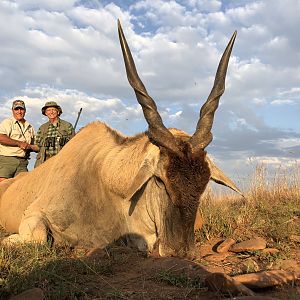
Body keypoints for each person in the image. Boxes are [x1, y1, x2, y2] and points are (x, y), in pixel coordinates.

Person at [0, 100, 37, 182]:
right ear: (12, 111)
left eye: (21, 109)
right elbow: (1, 137)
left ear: (25, 111)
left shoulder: (30, 127)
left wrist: (30, 146)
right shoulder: (7, 122)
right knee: (3, 186)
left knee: (23, 185)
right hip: (7, 160)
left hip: (23, 162)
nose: (19, 112)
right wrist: (19, 143)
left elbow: (37, 146)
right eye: (16, 109)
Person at [34, 101, 75, 168]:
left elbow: (74, 144)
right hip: (45, 161)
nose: (51, 112)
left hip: (62, 161)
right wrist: (27, 146)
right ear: (46, 113)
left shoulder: (67, 125)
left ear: (58, 112)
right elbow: (37, 146)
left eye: (53, 110)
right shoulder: (42, 128)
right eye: (48, 110)